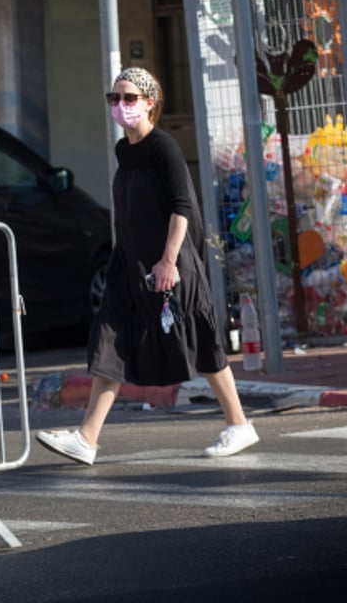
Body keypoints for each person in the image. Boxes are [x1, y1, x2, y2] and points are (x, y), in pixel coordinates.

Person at [35, 68, 259, 466]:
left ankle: (239, 424)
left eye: (129, 98)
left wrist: (169, 261)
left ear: (150, 102)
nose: (120, 106)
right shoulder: (124, 150)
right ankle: (87, 438)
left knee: (200, 341)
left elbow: (182, 207)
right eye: (114, 99)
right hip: (131, 263)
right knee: (111, 339)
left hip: (170, 264)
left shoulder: (163, 147)